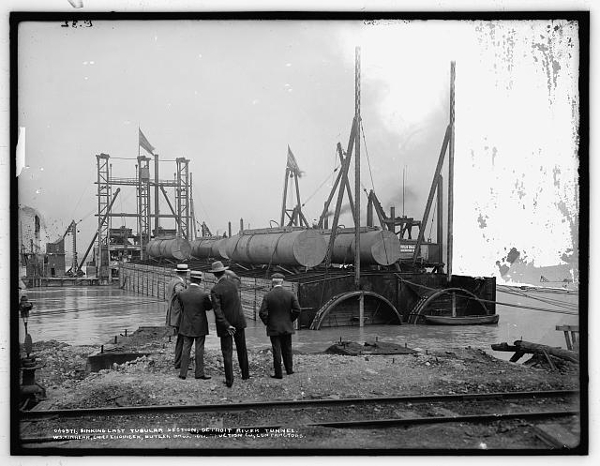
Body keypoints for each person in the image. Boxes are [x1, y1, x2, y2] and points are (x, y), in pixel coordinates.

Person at [209, 260, 249, 387]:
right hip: (239, 321)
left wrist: (227, 325)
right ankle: (245, 375)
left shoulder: (215, 289)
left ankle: (229, 380)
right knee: (242, 349)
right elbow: (236, 277)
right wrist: (228, 271)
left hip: (226, 326)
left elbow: (218, 312)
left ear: (214, 275)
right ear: (224, 272)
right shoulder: (233, 284)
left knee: (227, 352)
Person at [259, 272, 301, 379]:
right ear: (282, 282)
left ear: (272, 283)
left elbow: (262, 312)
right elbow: (297, 310)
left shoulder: (268, 296)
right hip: (287, 326)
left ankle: (278, 374)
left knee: (276, 350)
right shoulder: (290, 294)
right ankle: (289, 370)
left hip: (274, 327)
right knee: (287, 349)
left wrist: (268, 322)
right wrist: (290, 319)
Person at [176, 270, 213, 380]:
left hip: (186, 324)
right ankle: (199, 373)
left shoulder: (182, 294)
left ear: (190, 280)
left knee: (186, 347)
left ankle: (183, 373)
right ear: (200, 280)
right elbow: (209, 307)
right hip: (200, 325)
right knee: (199, 348)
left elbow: (182, 307)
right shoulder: (203, 294)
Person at [165, 263, 188, 369]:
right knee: (182, 340)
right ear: (185, 273)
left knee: (180, 339)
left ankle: (178, 362)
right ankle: (180, 363)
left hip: (173, 313)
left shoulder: (172, 281)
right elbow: (181, 295)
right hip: (179, 315)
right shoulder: (179, 283)